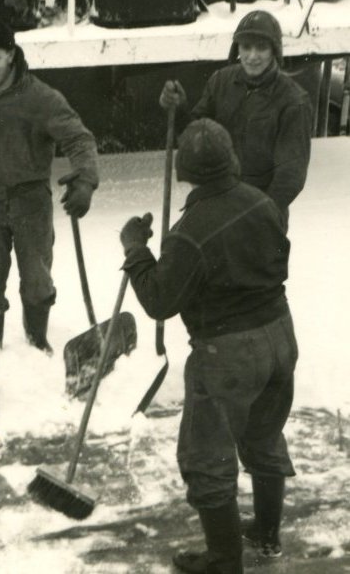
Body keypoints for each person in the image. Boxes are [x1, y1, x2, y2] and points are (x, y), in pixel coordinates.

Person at [120, 118, 298, 574]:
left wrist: (136, 249)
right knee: (263, 434)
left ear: (186, 171)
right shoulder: (262, 202)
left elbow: (160, 300)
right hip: (279, 334)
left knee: (208, 458)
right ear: (231, 160)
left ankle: (222, 560)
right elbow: (279, 254)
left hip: (227, 354)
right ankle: (265, 532)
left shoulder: (190, 232)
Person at [0, 22, 99, 355]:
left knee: (37, 277)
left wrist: (85, 180)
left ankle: (36, 341)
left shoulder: (40, 97)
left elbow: (78, 138)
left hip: (30, 203)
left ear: (11, 55)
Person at [159, 9, 312, 228]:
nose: (252, 56)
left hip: (261, 218)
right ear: (237, 48)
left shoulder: (293, 101)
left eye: (261, 48)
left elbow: (290, 177)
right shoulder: (221, 81)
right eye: (246, 47)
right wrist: (179, 109)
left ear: (274, 51)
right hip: (214, 207)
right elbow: (194, 139)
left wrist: (254, 216)